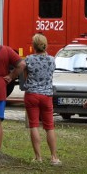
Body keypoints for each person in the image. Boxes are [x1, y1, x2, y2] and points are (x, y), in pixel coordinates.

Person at [21, 34, 60, 165]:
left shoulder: (29, 59)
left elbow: (25, 77)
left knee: (34, 125)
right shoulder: (51, 60)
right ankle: (54, 157)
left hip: (32, 94)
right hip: (47, 95)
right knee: (49, 126)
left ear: (33, 46)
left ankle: (38, 157)